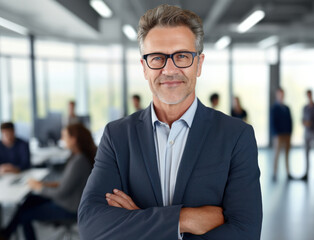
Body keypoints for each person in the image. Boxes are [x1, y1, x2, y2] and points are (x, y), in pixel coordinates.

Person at [78, 4, 262, 239]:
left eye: (182, 56)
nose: (169, 69)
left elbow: (245, 233)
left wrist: (137, 222)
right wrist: (182, 220)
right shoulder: (117, 136)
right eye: (157, 58)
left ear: (199, 64)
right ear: (144, 67)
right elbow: (90, 225)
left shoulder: (236, 136)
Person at [0, 123, 96, 240]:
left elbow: (60, 193)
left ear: (74, 139)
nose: (62, 139)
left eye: (64, 136)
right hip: (67, 200)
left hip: (68, 208)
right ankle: (4, 235)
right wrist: (43, 184)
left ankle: (4, 235)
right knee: (28, 201)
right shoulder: (77, 157)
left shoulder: (79, 162)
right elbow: (64, 183)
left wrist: (39, 188)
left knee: (24, 215)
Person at [270, 88, 293, 181]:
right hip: (278, 135)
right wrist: (275, 134)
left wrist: (290, 132)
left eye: (282, 94)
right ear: (277, 95)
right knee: (277, 155)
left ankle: (288, 173)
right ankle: (275, 173)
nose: (281, 96)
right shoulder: (274, 108)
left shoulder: (287, 108)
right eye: (280, 94)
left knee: (287, 154)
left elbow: (290, 121)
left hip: (287, 134)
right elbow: (272, 122)